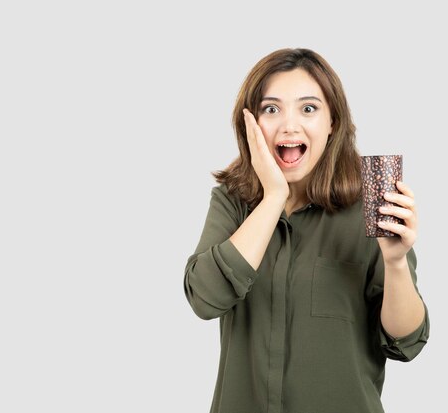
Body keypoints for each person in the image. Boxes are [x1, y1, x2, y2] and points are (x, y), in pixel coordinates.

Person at [183, 48, 429, 413]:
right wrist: (272, 199)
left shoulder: (371, 206)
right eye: (271, 109)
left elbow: (405, 342)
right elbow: (204, 298)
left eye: (308, 108)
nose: (289, 126)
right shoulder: (232, 201)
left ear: (332, 122)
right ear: (251, 124)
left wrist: (394, 264)